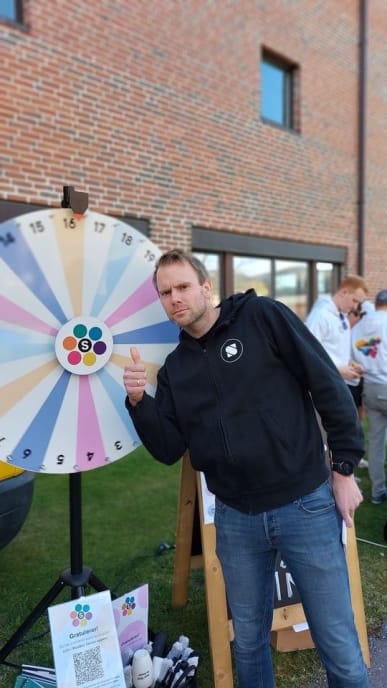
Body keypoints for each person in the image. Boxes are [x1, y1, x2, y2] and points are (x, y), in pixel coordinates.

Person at [123, 249, 369, 688]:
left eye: (182, 287)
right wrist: (140, 403)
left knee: (337, 642)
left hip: (304, 505)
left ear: (205, 287)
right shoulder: (178, 368)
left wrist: (345, 468)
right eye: (165, 292)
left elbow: (326, 384)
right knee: (249, 643)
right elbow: (167, 447)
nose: (175, 298)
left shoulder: (262, 317)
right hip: (235, 518)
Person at [351, 289, 387, 504]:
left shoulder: (362, 324)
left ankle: (377, 491)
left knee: (375, 439)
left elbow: (355, 350)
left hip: (370, 385)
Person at [305, 275, 369, 386]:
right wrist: (339, 371)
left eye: (358, 303)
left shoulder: (342, 317)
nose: (355, 307)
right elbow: (308, 354)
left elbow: (334, 351)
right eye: (354, 300)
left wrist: (351, 364)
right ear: (344, 292)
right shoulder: (320, 316)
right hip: (323, 386)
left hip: (337, 384)